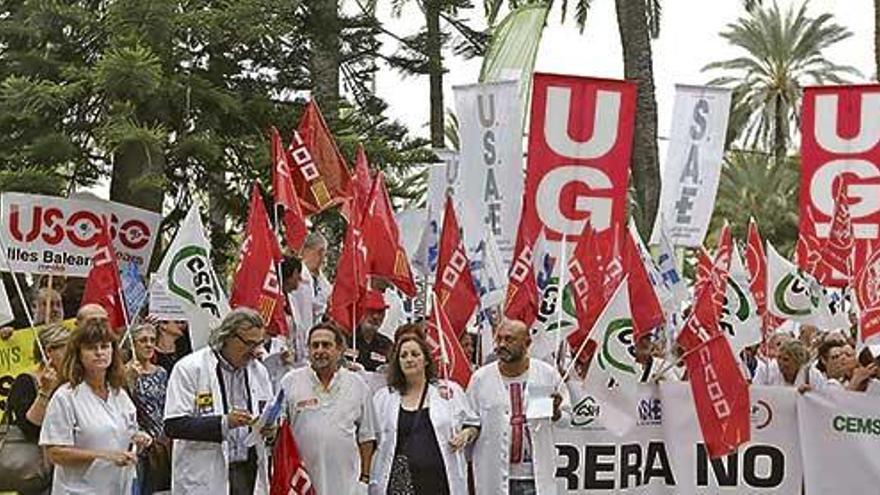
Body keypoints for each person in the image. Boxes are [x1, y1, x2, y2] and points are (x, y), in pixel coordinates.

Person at [163, 308, 275, 494]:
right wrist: (224, 423)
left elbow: (267, 411)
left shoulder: (259, 371)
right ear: (228, 337)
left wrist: (270, 428)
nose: (255, 351)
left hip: (248, 471)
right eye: (249, 343)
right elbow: (174, 425)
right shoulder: (190, 368)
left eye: (259, 344)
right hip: (205, 474)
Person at [40, 318, 152, 493]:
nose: (100, 352)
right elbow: (54, 452)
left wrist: (138, 438)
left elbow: (126, 431)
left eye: (105, 346)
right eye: (92, 348)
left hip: (119, 488)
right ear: (79, 354)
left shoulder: (119, 394)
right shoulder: (66, 396)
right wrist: (103, 455)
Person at [466, 318, 570, 495]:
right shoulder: (480, 379)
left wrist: (556, 413)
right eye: (498, 339)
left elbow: (566, 419)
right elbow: (470, 421)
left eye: (509, 339)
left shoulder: (547, 374)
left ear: (527, 343)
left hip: (534, 479)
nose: (501, 344)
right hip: (494, 477)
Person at [370, 334, 476, 494]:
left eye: (415, 354)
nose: (409, 359)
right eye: (403, 356)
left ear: (426, 360)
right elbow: (370, 437)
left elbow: (473, 423)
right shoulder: (384, 397)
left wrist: (466, 434)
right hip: (399, 484)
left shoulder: (449, 391)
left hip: (439, 482)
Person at [280, 323, 376, 494]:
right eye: (314, 345)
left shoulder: (358, 384)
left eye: (326, 345)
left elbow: (367, 438)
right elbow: (279, 433)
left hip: (346, 484)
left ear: (339, 350)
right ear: (308, 350)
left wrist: (364, 479)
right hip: (302, 484)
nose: (319, 350)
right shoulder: (290, 382)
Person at [126, 323, 170, 494]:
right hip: (138, 444)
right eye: (143, 340)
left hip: (161, 442)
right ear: (133, 344)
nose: (149, 344)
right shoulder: (123, 373)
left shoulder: (161, 372)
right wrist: (129, 380)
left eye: (152, 340)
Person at [752, 340, 825, 390]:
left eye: (786, 359)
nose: (781, 362)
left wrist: (811, 393)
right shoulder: (767, 371)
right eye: (779, 358)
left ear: (798, 362)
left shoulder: (812, 375)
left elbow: (822, 398)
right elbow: (755, 392)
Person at [350, 290, 393, 372]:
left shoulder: (387, 345)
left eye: (380, 312)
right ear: (360, 311)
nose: (375, 317)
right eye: (371, 311)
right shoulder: (345, 339)